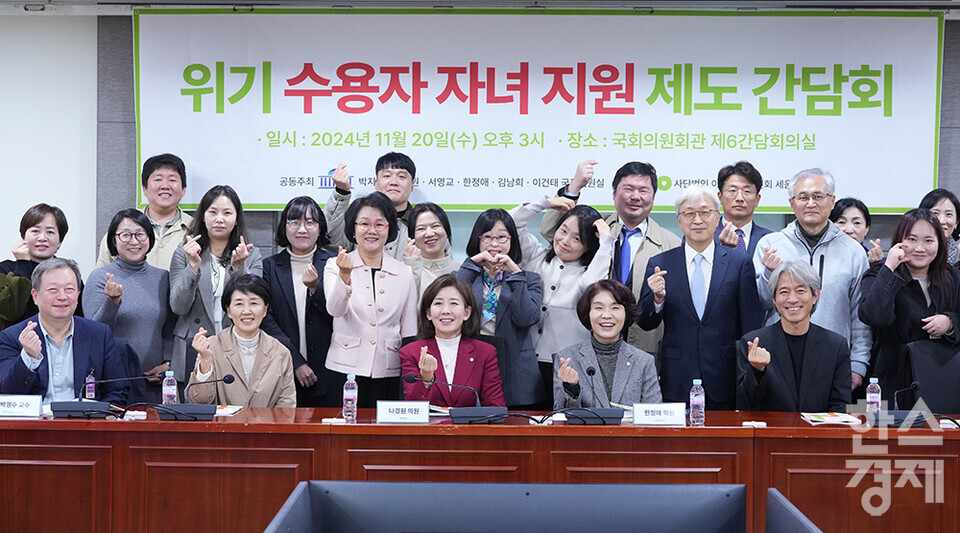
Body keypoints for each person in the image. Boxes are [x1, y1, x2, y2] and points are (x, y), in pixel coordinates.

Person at [638, 187, 763, 409]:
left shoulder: (739, 263)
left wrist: (748, 372)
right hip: (677, 375)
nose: (697, 220)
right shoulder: (660, 263)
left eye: (705, 212)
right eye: (689, 213)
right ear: (679, 220)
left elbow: (750, 325)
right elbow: (645, 322)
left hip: (724, 375)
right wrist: (657, 299)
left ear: (717, 217)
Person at [541, 160, 682, 356]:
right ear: (614, 193)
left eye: (643, 190)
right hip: (590, 344)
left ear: (653, 197)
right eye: (628, 189)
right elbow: (549, 230)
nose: (635, 196)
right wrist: (574, 187)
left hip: (643, 347)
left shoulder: (672, 244)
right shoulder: (594, 227)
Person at [753, 168, 871, 392]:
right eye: (803, 197)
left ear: (832, 201)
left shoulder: (853, 251)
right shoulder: (770, 245)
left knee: (832, 415)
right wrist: (769, 274)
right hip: (778, 359)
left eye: (818, 196)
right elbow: (761, 305)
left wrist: (858, 363)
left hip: (833, 360)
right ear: (791, 203)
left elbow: (860, 315)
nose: (810, 203)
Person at [511, 191, 613, 407]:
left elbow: (592, 288)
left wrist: (606, 242)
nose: (565, 241)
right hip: (525, 363)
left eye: (577, 239)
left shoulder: (588, 274)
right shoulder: (536, 256)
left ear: (589, 246)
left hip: (566, 367)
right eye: (563, 231)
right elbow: (511, 225)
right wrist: (543, 203)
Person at [323, 192, 418, 407]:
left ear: (389, 229)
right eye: (364, 224)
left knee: (384, 428)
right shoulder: (334, 265)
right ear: (353, 229)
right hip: (344, 369)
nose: (372, 230)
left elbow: (409, 329)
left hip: (388, 370)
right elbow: (335, 310)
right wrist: (345, 276)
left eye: (379, 224)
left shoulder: (404, 272)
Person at [859, 208, 960, 405]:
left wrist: (950, 323)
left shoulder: (953, 277)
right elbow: (873, 316)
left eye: (928, 240)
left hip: (942, 377)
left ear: (940, 243)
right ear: (899, 241)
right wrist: (889, 268)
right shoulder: (878, 274)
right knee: (891, 425)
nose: (919, 248)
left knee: (941, 426)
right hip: (892, 378)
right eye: (911, 239)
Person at [0, 258, 128, 404]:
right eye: (53, 290)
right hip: (36, 418)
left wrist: (99, 413)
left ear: (78, 295)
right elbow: (6, 396)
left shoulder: (99, 334)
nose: (62, 297)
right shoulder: (12, 338)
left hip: (85, 417)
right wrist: (29, 357)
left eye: (69, 289)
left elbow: (117, 391)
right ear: (35, 296)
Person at [169, 185, 262, 385]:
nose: (219, 219)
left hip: (236, 344)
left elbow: (254, 305)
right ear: (203, 216)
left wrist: (238, 268)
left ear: (236, 219)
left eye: (227, 213)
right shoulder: (184, 252)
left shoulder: (251, 254)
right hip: (193, 343)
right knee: (195, 401)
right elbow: (178, 306)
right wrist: (193, 266)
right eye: (213, 212)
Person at [456, 208, 544, 409]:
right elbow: (453, 306)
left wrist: (516, 274)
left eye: (502, 237)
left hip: (515, 369)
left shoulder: (529, 279)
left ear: (512, 241)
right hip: (471, 363)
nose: (494, 244)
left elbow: (525, 318)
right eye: (487, 237)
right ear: (477, 240)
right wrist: (472, 264)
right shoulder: (465, 276)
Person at [737, 261, 852, 412]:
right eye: (784, 292)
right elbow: (745, 405)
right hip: (771, 427)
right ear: (774, 299)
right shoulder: (754, 344)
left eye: (800, 291)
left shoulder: (836, 346)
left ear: (815, 296)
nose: (792, 299)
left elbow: (841, 405)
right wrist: (757, 370)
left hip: (820, 427)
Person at [83, 209, 171, 403]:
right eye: (125, 235)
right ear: (113, 240)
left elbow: (171, 328)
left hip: (152, 380)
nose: (134, 241)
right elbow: (94, 333)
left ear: (149, 238)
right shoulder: (99, 277)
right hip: (112, 380)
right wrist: (112, 302)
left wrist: (168, 363)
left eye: (140, 234)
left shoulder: (162, 277)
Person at [261, 196, 337, 407]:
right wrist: (295, 361)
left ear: (320, 229)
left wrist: (315, 289)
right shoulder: (269, 267)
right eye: (294, 222)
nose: (302, 229)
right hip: (283, 371)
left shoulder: (333, 264)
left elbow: (339, 315)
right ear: (284, 228)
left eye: (310, 222)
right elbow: (266, 319)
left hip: (328, 371)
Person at [188, 274, 296, 407]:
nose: (246, 311)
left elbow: (287, 406)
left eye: (254, 303)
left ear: (265, 310)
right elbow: (198, 403)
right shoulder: (212, 346)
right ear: (228, 311)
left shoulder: (281, 352)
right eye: (239, 304)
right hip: (222, 421)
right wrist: (205, 361)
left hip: (266, 421)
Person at [400, 274, 506, 407]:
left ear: (467, 313)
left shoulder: (485, 352)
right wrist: (426, 378)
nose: (445, 311)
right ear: (428, 313)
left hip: (470, 421)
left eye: (454, 303)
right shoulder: (411, 352)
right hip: (429, 421)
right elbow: (412, 409)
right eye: (438, 303)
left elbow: (495, 406)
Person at [554, 279, 661, 409]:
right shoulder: (567, 359)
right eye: (598, 308)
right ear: (588, 312)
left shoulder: (644, 361)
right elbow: (559, 414)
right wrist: (571, 389)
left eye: (615, 308)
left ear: (626, 313)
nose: (606, 315)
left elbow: (654, 413)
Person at [96, 153, 194, 270]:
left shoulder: (196, 228)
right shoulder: (121, 229)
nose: (165, 186)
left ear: (183, 189)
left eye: (172, 180)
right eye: (158, 179)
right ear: (144, 188)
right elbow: (102, 275)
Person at [325, 152, 419, 259]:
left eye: (401, 176)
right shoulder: (358, 216)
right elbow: (333, 243)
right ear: (376, 183)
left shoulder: (420, 223)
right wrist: (341, 192)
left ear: (412, 186)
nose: (394, 182)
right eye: (387, 176)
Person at [0, 203, 76, 328]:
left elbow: (79, 318)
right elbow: (12, 312)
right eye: (35, 231)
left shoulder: (68, 273)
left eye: (50, 232)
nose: (42, 238)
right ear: (23, 236)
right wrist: (22, 265)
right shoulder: (4, 269)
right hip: (14, 339)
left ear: (60, 242)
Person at [714, 161, 772, 256]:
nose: (739, 198)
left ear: (757, 200)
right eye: (732, 190)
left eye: (747, 191)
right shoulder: (704, 236)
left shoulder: (771, 240)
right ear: (720, 197)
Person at [402, 202, 457, 300]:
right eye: (421, 229)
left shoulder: (461, 271)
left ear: (446, 231)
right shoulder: (402, 271)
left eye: (435, 226)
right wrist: (411, 267)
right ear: (412, 237)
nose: (429, 233)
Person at [830, 197, 884, 264]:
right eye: (841, 222)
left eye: (857, 223)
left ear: (866, 229)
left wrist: (873, 267)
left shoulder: (880, 263)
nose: (849, 230)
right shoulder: (819, 258)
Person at [919, 188, 960, 268]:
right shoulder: (911, 251)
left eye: (948, 214)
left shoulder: (958, 256)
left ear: (956, 222)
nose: (941, 221)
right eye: (935, 213)